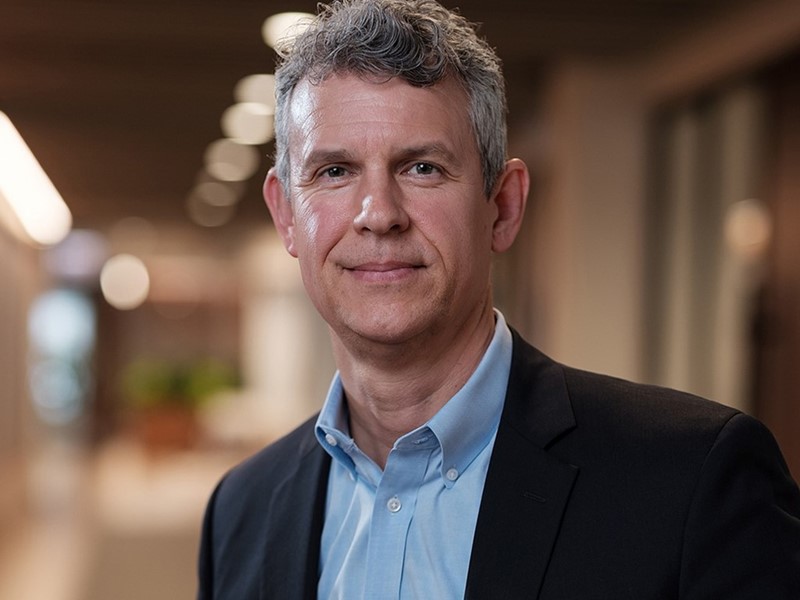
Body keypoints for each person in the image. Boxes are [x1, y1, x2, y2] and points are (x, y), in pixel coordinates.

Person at [197, 0, 800, 598]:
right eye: (334, 171)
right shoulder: (241, 511)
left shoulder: (692, 480)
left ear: (504, 207)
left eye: (422, 167)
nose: (379, 214)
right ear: (286, 217)